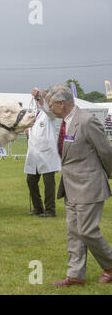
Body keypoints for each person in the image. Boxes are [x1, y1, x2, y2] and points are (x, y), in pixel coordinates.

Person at [46, 84, 112, 286]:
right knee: (73, 232)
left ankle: (110, 265)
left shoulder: (86, 121)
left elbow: (106, 151)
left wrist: (109, 173)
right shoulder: (66, 121)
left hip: (89, 186)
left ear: (61, 103)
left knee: (87, 231)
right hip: (70, 186)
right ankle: (75, 275)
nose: (50, 109)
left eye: (51, 105)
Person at [24, 88, 61, 217]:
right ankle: (37, 207)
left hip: (47, 153)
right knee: (31, 180)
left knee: (48, 182)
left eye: (40, 97)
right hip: (34, 153)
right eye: (36, 98)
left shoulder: (51, 112)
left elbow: (46, 108)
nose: (37, 100)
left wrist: (39, 97)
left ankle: (50, 210)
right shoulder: (35, 112)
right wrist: (28, 131)